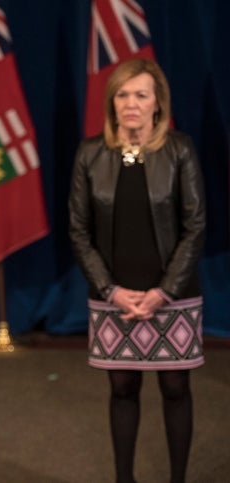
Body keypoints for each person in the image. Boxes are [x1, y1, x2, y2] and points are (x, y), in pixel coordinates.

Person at [68, 58, 205, 483]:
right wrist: (110, 290)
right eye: (123, 95)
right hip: (115, 297)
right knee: (122, 390)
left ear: (157, 104)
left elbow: (195, 225)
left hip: (172, 295)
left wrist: (164, 291)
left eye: (141, 95)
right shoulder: (91, 153)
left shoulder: (179, 149)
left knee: (175, 390)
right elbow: (78, 229)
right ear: (112, 103)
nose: (131, 103)